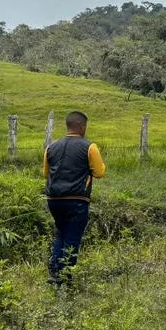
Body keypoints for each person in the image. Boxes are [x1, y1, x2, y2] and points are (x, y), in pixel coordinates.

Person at [43, 111, 106, 286]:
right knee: (72, 238)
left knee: (61, 234)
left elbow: (45, 173)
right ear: (81, 126)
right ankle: (65, 278)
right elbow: (100, 173)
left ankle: (54, 273)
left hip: (53, 200)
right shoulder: (89, 146)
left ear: (68, 125)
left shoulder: (51, 147)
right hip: (77, 200)